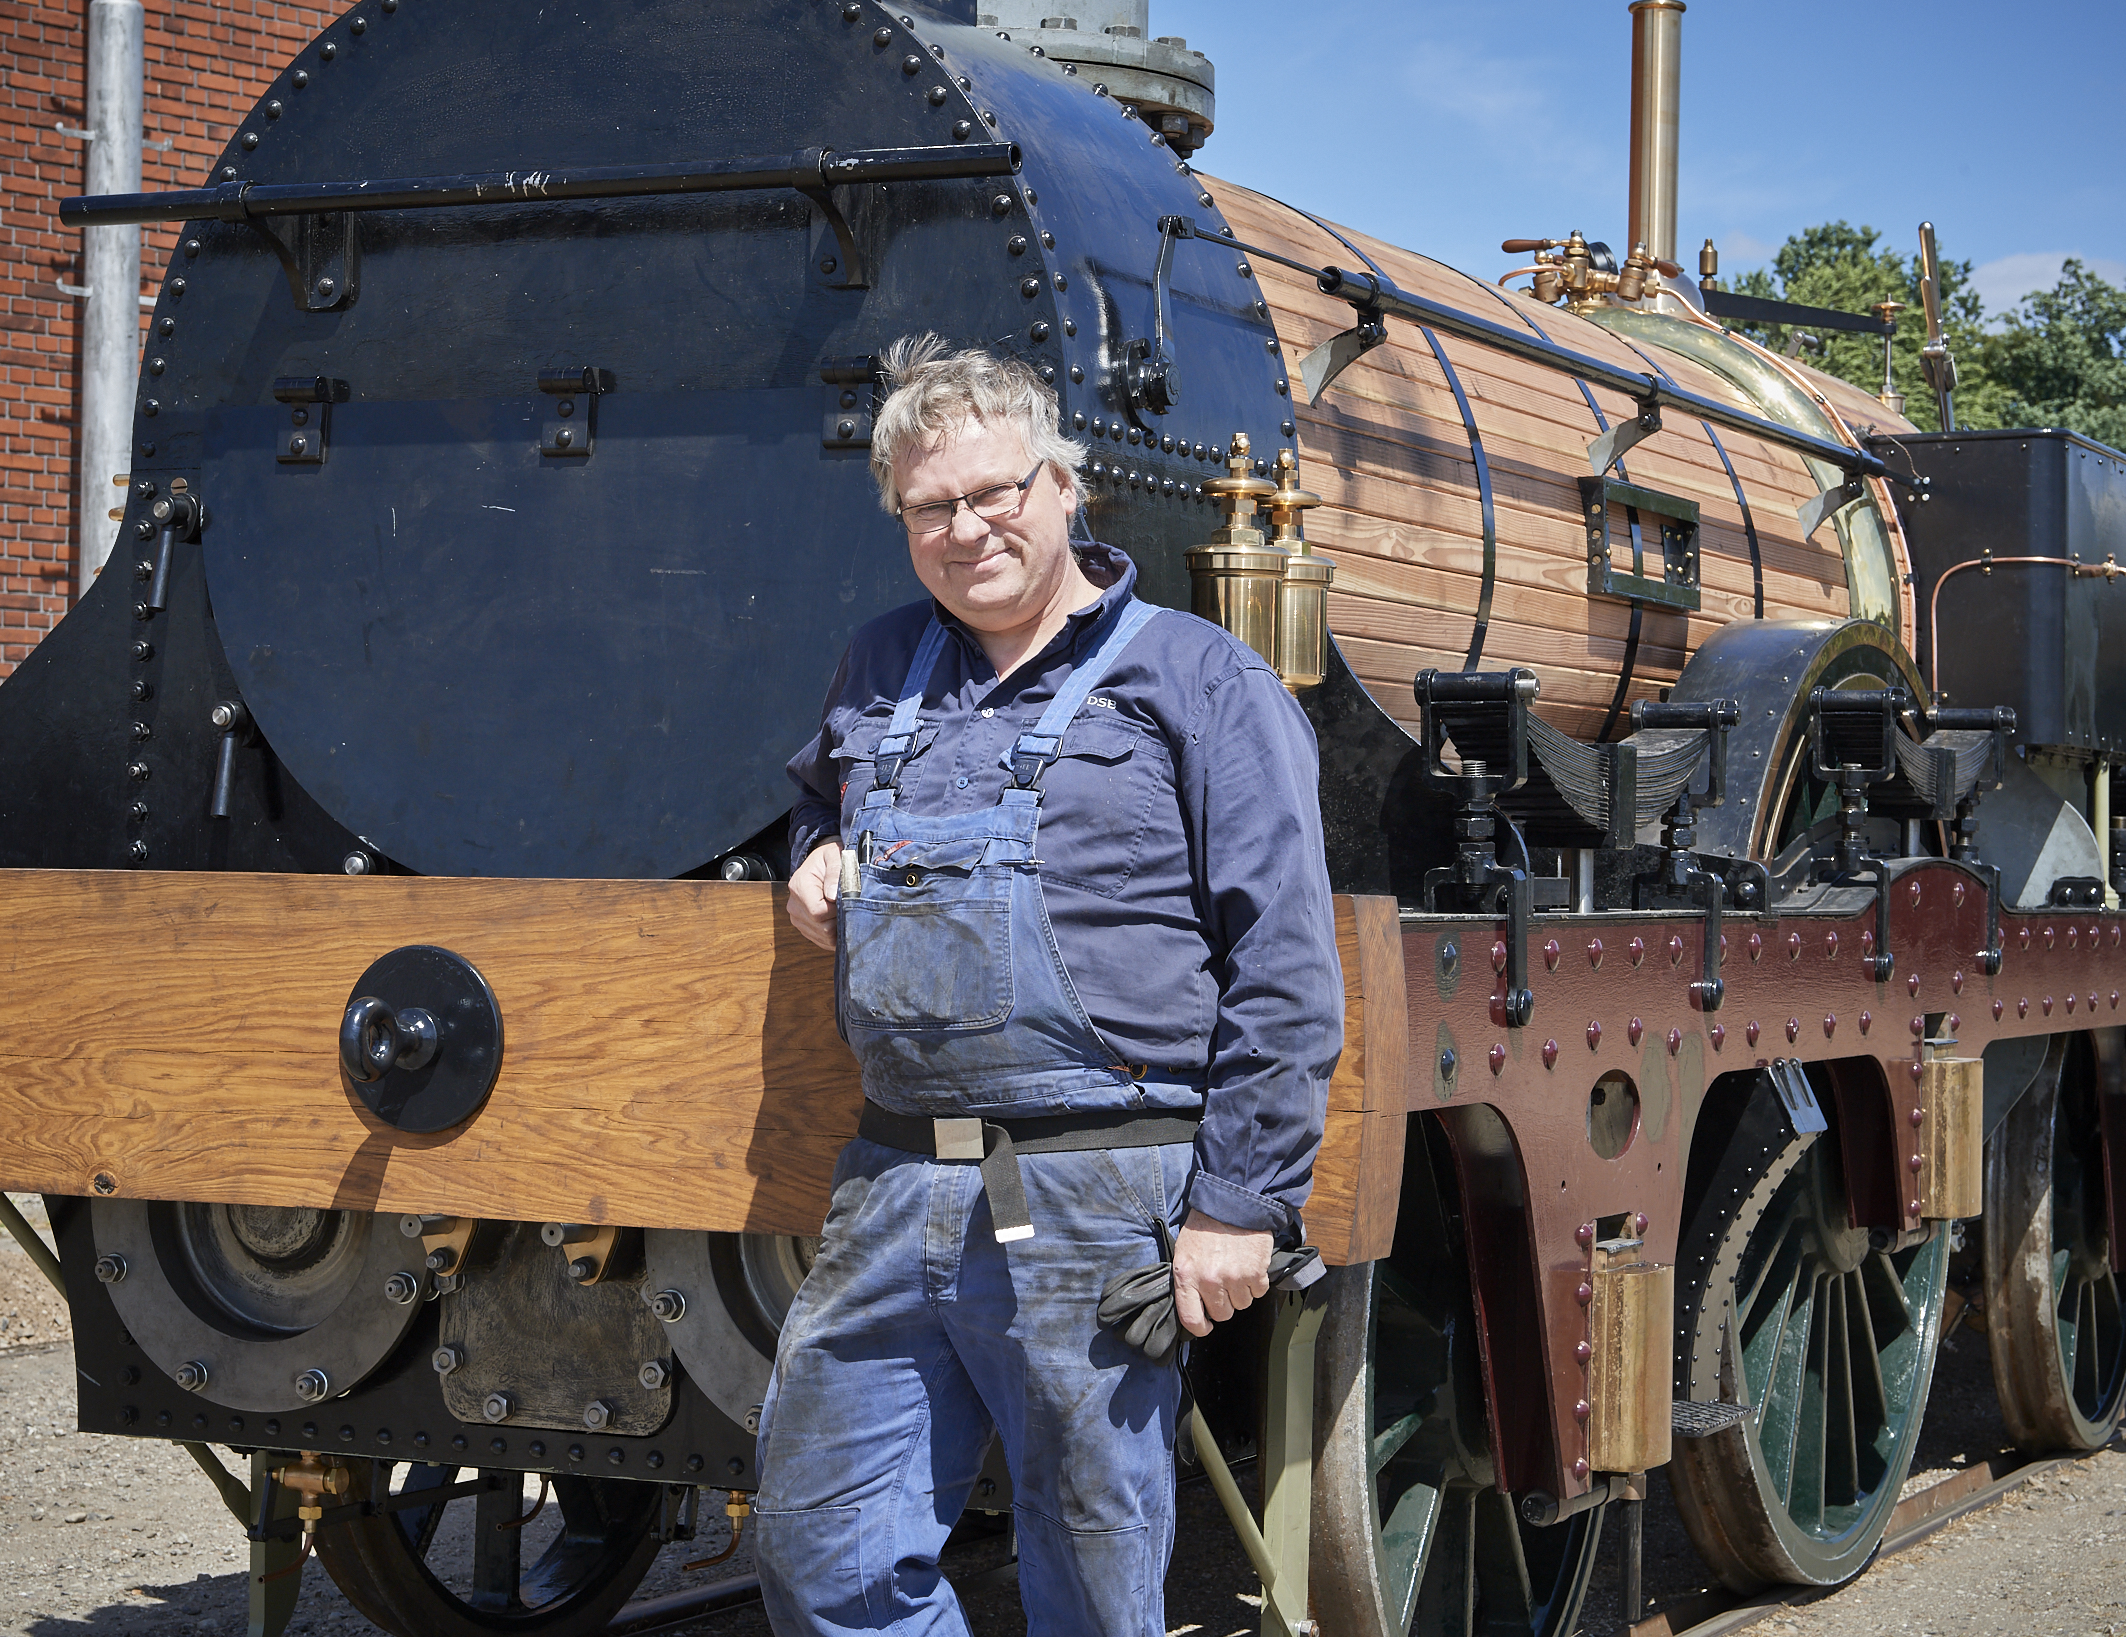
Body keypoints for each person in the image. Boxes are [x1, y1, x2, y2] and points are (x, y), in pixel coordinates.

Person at [754, 333, 1342, 1637]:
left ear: (1064, 485)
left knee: (1087, 1558)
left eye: (992, 493)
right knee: (820, 1544)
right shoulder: (879, 669)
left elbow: (1286, 959)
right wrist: (815, 857)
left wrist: (1241, 1201)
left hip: (1099, 1183)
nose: (965, 529)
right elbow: (809, 815)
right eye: (929, 507)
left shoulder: (1197, 679)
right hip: (896, 1174)